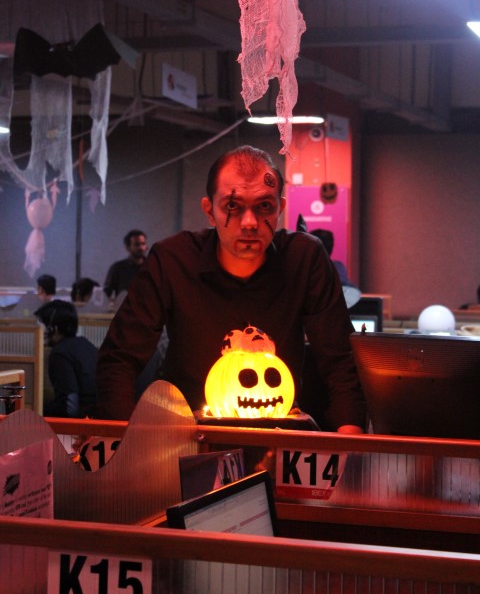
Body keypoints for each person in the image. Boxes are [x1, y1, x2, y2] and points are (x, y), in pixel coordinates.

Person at [96, 145, 365, 433]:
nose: (249, 223)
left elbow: (340, 362)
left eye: (264, 206)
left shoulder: (304, 258)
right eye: (232, 207)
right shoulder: (173, 260)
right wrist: (123, 443)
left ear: (280, 209)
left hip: (279, 435)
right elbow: (119, 358)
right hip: (184, 436)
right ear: (210, 211)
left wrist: (349, 444)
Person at [35, 299, 97, 418]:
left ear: (54, 329)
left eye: (42, 327)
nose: (40, 333)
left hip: (82, 424)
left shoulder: (60, 354)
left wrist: (36, 409)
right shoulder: (85, 344)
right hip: (97, 418)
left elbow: (69, 408)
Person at [103, 229, 148, 300]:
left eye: (143, 244)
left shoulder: (153, 266)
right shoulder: (117, 268)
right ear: (128, 247)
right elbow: (106, 293)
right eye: (137, 244)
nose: (141, 248)